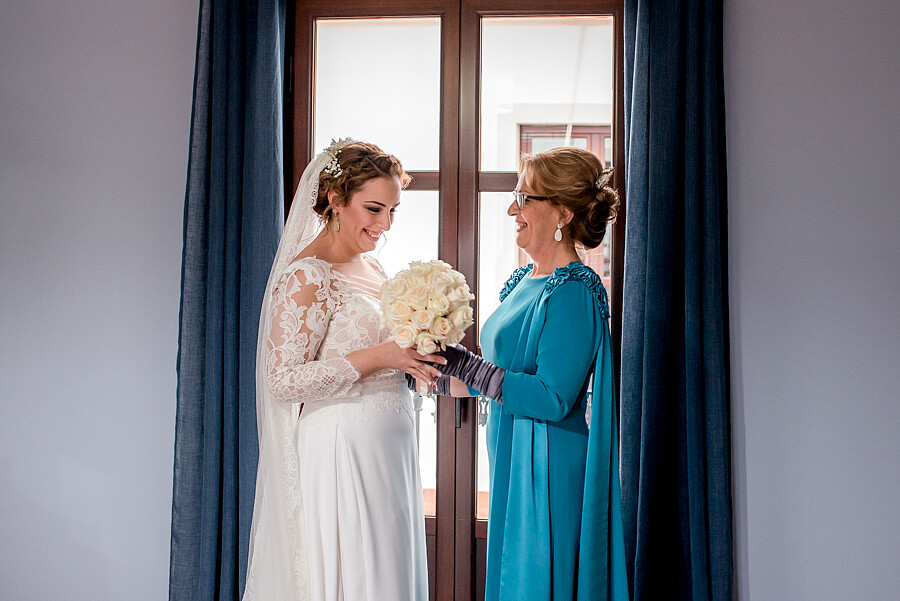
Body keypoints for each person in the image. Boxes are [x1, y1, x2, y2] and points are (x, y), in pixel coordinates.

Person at [242, 139, 443, 601]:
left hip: (390, 448)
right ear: (335, 199)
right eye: (374, 209)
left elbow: (387, 348)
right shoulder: (308, 274)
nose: (384, 225)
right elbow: (282, 379)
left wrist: (417, 359)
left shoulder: (373, 267)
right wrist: (381, 357)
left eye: (393, 211)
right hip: (339, 449)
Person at [438, 147, 630, 601]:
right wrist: (436, 374)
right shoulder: (527, 279)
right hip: (514, 448)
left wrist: (470, 367)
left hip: (547, 461)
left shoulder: (573, 291)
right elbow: (501, 379)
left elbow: (552, 397)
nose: (512, 209)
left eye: (524, 198)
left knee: (536, 581)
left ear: (562, 212)